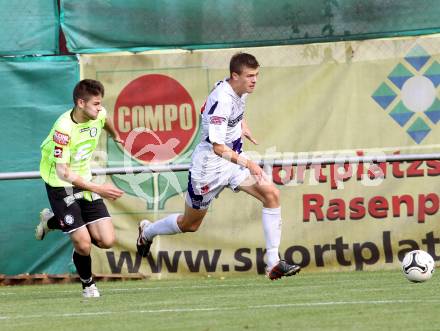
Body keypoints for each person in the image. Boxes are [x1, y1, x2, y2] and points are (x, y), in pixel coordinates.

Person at [136, 53, 301, 280]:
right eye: (250, 76)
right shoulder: (222, 98)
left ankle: (273, 263)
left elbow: (230, 111)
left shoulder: (236, 88)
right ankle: (147, 232)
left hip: (232, 164)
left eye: (257, 75)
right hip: (209, 168)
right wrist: (249, 163)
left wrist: (243, 126)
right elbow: (218, 148)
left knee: (271, 194)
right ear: (235, 76)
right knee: (189, 224)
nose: (254, 80)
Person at [36, 79, 124, 297]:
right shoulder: (63, 129)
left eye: (100, 103)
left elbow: (104, 120)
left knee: (106, 240)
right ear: (81, 103)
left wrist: (116, 136)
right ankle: (88, 285)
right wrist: (98, 188)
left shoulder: (98, 114)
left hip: (83, 178)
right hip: (61, 184)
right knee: (83, 244)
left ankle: (53, 221)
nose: (100, 108)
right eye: (95, 104)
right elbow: (63, 172)